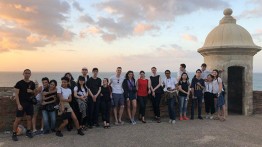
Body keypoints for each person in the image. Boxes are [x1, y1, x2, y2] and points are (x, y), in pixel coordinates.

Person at [12, 69, 36, 141]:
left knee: (29, 118)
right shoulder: (19, 83)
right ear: (23, 74)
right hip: (21, 104)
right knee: (18, 119)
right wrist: (18, 104)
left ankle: (28, 131)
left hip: (29, 104)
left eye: (28, 73)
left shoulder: (32, 83)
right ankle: (14, 133)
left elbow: (34, 93)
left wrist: (31, 91)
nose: (27, 74)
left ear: (30, 74)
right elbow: (16, 95)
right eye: (26, 73)